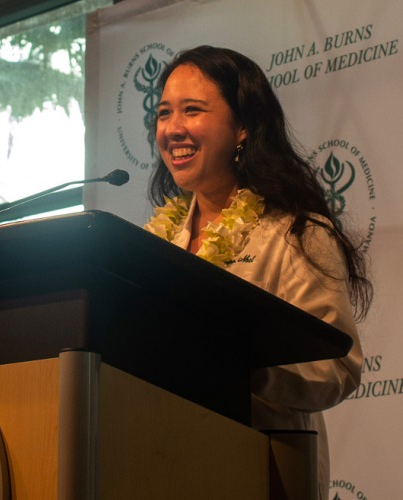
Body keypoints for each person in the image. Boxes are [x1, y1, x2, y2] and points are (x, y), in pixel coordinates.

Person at [144, 45, 372, 500]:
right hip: (164, 464)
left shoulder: (296, 233)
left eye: (193, 110)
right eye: (164, 112)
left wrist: (236, 368)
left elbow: (337, 369)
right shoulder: (154, 246)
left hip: (264, 472)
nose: (173, 129)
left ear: (243, 126)